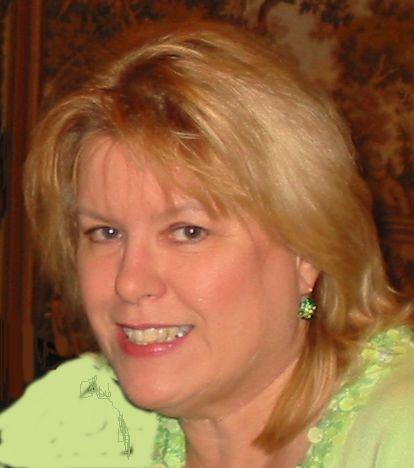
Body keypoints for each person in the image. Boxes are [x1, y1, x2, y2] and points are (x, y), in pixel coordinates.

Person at [1, 20, 413, 468]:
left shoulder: (398, 433)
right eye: (106, 233)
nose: (129, 283)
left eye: (188, 232)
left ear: (308, 250)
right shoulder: (75, 420)